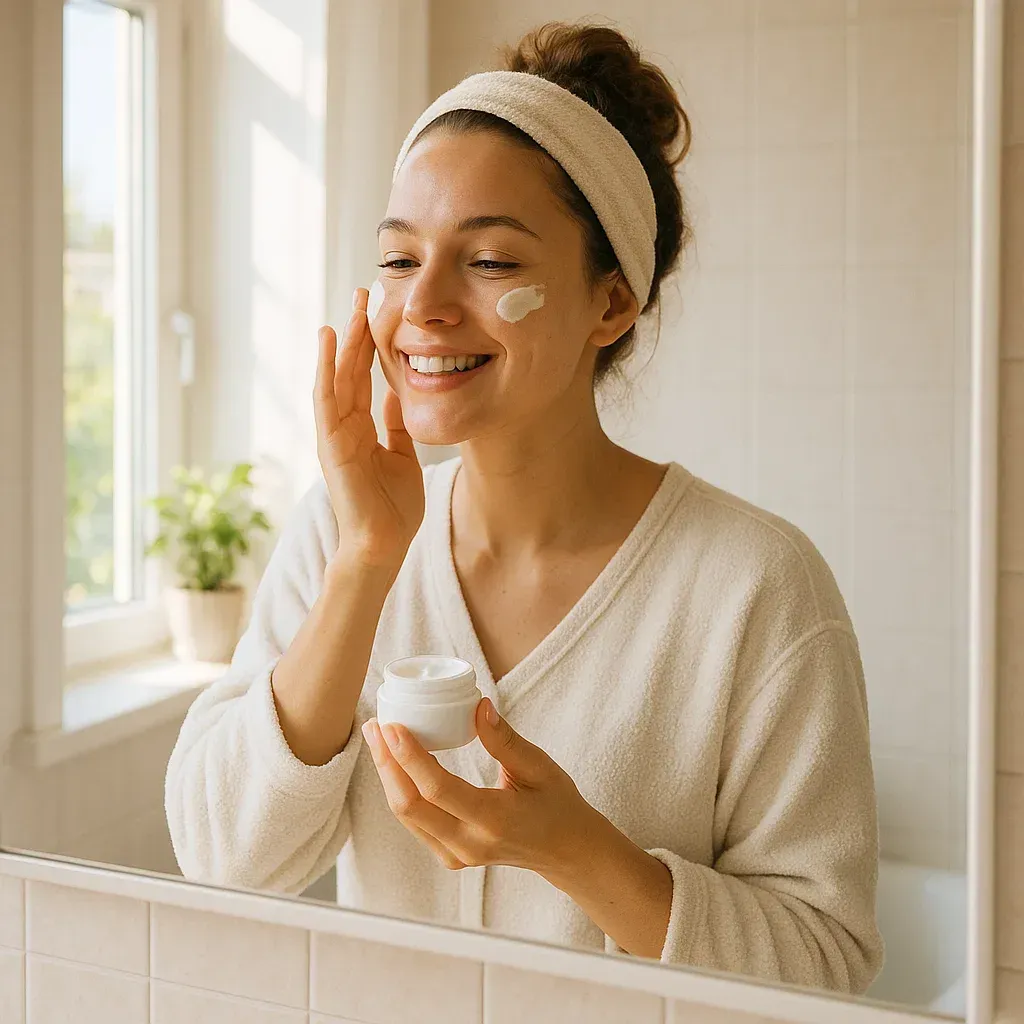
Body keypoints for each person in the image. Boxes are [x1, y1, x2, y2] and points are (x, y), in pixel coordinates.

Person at [165, 20, 884, 994]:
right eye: (398, 257)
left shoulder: (755, 587)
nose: (422, 304)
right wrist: (368, 557)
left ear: (611, 303)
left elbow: (828, 969)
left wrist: (582, 854)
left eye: (491, 261)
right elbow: (223, 859)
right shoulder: (341, 533)